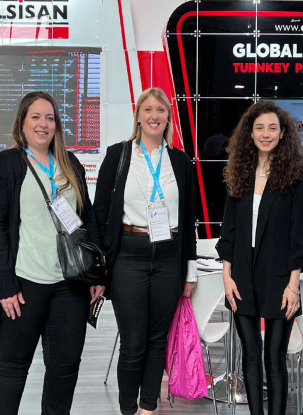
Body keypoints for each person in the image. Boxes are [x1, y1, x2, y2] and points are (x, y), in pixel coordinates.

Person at [0, 91, 104, 415]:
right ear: (22, 123)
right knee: (11, 369)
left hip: (70, 287)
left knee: (64, 370)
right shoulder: (7, 164)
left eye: (49, 118)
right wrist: (5, 285)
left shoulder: (70, 163)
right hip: (23, 285)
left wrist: (96, 274)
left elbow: (87, 217)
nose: (43, 124)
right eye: (35, 117)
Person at [93, 87, 197, 415]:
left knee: (157, 340)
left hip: (169, 258)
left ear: (168, 117)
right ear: (138, 115)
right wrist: (98, 271)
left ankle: (149, 408)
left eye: (160, 110)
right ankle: (128, 409)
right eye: (148, 109)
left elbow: (189, 219)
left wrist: (191, 271)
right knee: (133, 341)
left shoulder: (180, 161)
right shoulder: (118, 155)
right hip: (129, 256)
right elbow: (99, 214)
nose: (154, 116)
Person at [215, 100, 303, 415]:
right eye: (259, 128)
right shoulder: (239, 171)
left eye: (272, 128)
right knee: (250, 356)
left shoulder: (296, 174)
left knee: (275, 358)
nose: (265, 134)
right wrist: (227, 277)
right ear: (250, 132)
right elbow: (229, 231)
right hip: (241, 277)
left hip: (280, 277)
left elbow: (299, 234)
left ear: (283, 132)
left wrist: (293, 285)